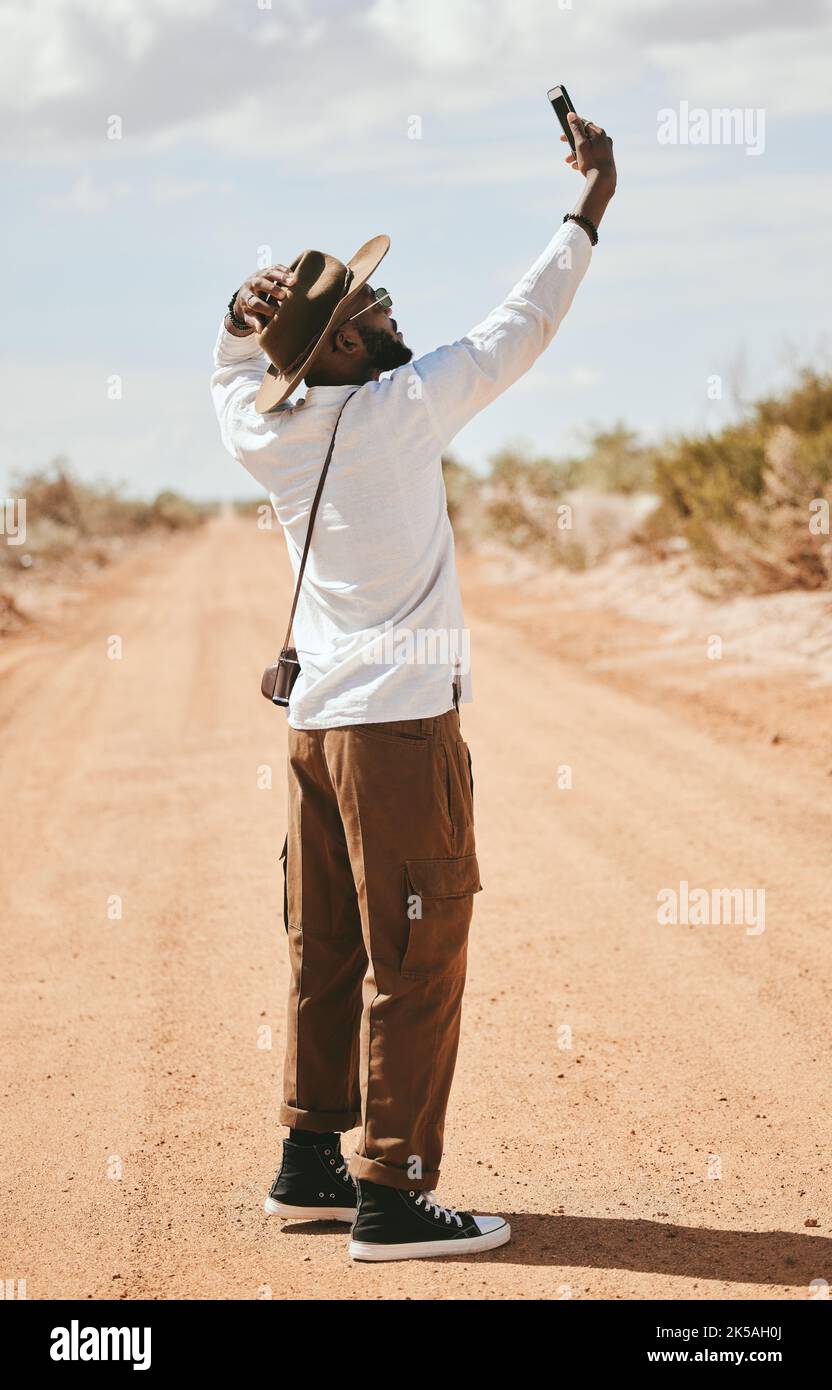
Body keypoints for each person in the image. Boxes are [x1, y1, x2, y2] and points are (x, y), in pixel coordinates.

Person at [210, 113, 616, 1262]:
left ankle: (307, 1161)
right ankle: (391, 1191)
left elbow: (234, 373)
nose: (393, 314)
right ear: (336, 350)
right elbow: (521, 324)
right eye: (369, 313)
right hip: (395, 734)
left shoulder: (268, 430)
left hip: (317, 728)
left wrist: (241, 323)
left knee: (327, 942)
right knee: (419, 953)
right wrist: (589, 204)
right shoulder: (398, 412)